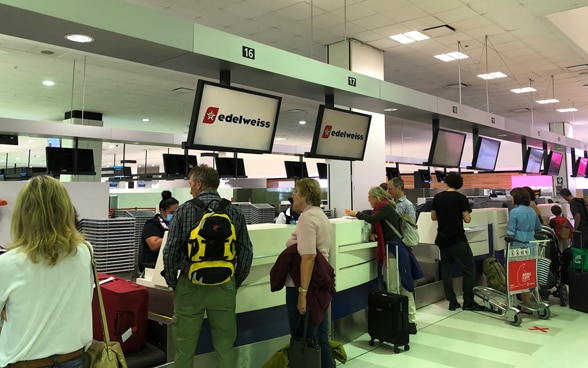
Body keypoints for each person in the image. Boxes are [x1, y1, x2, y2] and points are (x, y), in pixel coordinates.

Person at [162, 164, 253, 368]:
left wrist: (172, 283)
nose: (190, 188)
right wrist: (234, 282)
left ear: (200, 183)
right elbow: (246, 251)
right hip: (224, 286)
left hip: (190, 285)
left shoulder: (184, 210)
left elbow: (170, 251)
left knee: (185, 348)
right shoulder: (234, 212)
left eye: (191, 184)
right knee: (224, 345)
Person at [0, 175, 93, 368]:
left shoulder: (8, 263)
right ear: (65, 210)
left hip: (26, 361)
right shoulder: (85, 251)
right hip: (74, 357)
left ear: (22, 213)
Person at [273, 178, 335, 368]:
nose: (293, 196)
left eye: (296, 193)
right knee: (319, 338)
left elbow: (308, 257)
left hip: (304, 286)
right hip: (318, 287)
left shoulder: (307, 218)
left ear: (306, 196)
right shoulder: (321, 216)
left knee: (303, 338)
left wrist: (302, 294)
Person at [345, 186, 422, 335]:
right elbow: (374, 218)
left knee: (397, 286)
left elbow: (372, 218)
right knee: (399, 285)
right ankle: (404, 319)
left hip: (395, 251)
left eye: (369, 197)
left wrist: (356, 213)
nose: (368, 200)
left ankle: (407, 321)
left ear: (375, 197)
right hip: (396, 250)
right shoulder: (385, 207)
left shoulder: (385, 207)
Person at [431, 172, 485, 311]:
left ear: (447, 182)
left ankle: (452, 301)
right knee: (468, 268)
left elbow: (433, 217)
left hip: (442, 240)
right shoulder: (461, 198)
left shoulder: (438, 197)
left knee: (447, 270)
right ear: (459, 184)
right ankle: (468, 301)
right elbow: (467, 219)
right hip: (457, 239)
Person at [506, 187, 542, 310]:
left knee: (517, 273)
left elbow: (511, 231)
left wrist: (507, 240)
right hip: (532, 244)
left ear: (517, 197)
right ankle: (527, 302)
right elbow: (538, 227)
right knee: (527, 273)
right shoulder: (532, 211)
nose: (510, 198)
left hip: (518, 244)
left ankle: (522, 304)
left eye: (511, 196)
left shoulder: (514, 212)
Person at [139, 190, 179, 272]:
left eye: (177, 213)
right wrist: (174, 234)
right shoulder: (152, 224)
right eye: (172, 212)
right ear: (162, 210)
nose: (175, 215)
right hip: (153, 264)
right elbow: (154, 245)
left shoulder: (175, 224)